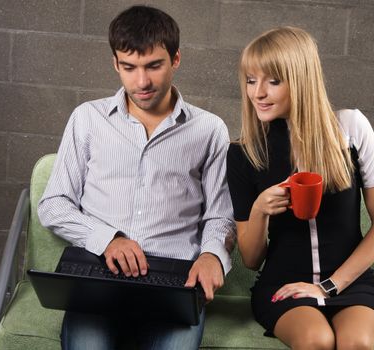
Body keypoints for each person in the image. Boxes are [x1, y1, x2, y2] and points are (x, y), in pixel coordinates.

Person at [38, 5, 235, 350]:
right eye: (129, 68)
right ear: (116, 63)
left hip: (175, 281)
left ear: (175, 60)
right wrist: (107, 239)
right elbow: (54, 205)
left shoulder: (210, 129)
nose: (141, 82)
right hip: (98, 274)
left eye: (153, 66)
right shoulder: (87, 119)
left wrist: (212, 255)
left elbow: (221, 215)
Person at [226, 26, 374, 349]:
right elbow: (250, 259)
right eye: (251, 80)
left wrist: (329, 286)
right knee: (317, 340)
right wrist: (261, 208)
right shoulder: (243, 152)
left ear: (302, 79)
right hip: (284, 285)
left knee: (354, 342)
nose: (258, 92)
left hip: (351, 282)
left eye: (273, 81)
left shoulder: (351, 128)